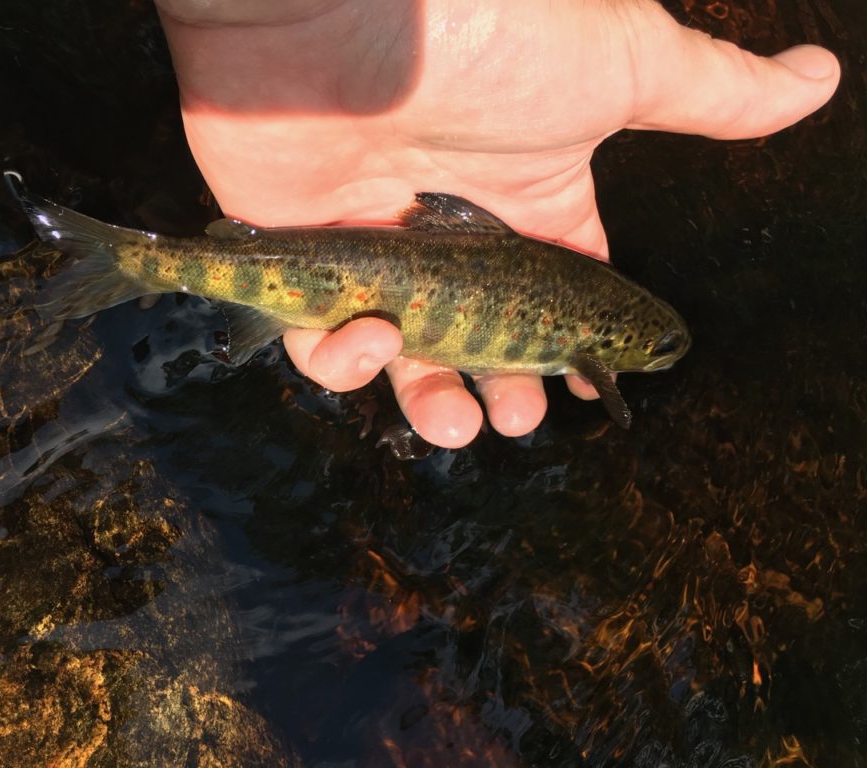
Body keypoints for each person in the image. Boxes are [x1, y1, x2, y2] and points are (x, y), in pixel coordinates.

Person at [153, 0, 840, 448]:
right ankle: (129, 264)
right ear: (602, 354)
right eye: (654, 344)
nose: (662, 349)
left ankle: (134, 261)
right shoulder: (596, 357)